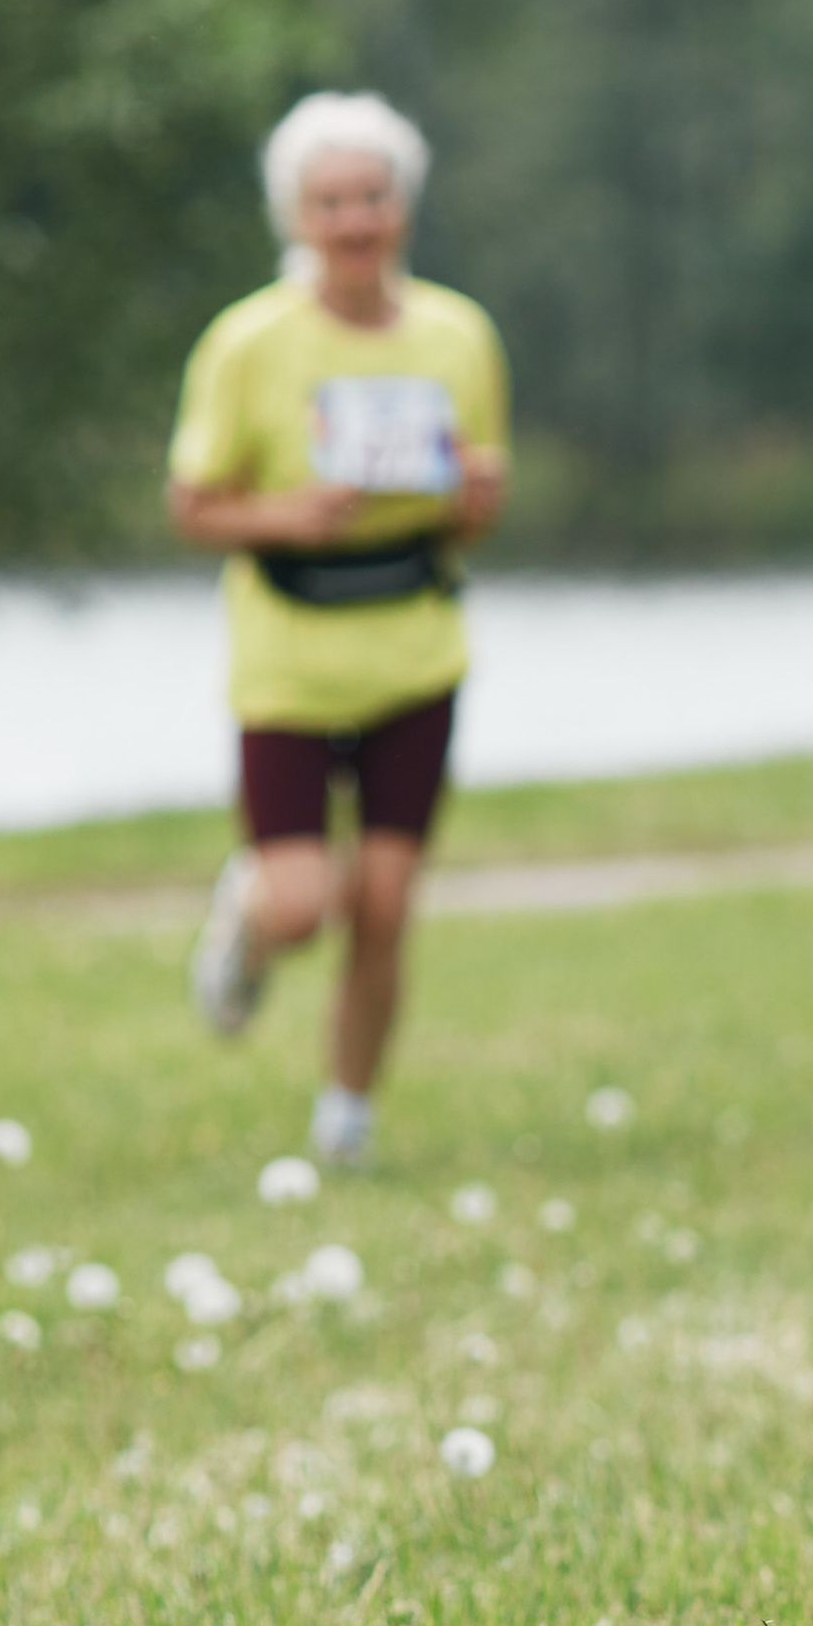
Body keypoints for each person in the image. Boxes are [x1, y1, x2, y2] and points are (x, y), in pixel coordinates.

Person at [167, 91, 509, 1168]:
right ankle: (251, 916)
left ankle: (347, 1120)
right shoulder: (247, 343)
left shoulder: (459, 335)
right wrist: (287, 515)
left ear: (403, 205)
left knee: (388, 903)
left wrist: (477, 495)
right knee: (305, 905)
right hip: (290, 659)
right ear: (296, 216)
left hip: (416, 649)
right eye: (331, 202)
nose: (355, 220)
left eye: (372, 196)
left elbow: (476, 508)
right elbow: (193, 506)